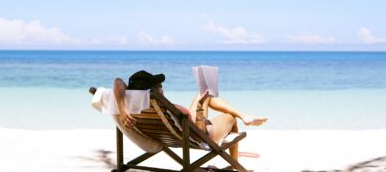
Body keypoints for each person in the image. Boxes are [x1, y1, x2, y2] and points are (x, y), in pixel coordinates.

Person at [90, 70, 268, 162]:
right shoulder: (164, 106)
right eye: (159, 85)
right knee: (230, 117)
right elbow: (199, 134)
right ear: (155, 90)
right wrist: (199, 110)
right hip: (198, 135)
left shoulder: (133, 104)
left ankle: (243, 116)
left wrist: (122, 109)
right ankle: (235, 155)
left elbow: (117, 81)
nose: (162, 87)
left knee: (204, 94)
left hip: (170, 131)